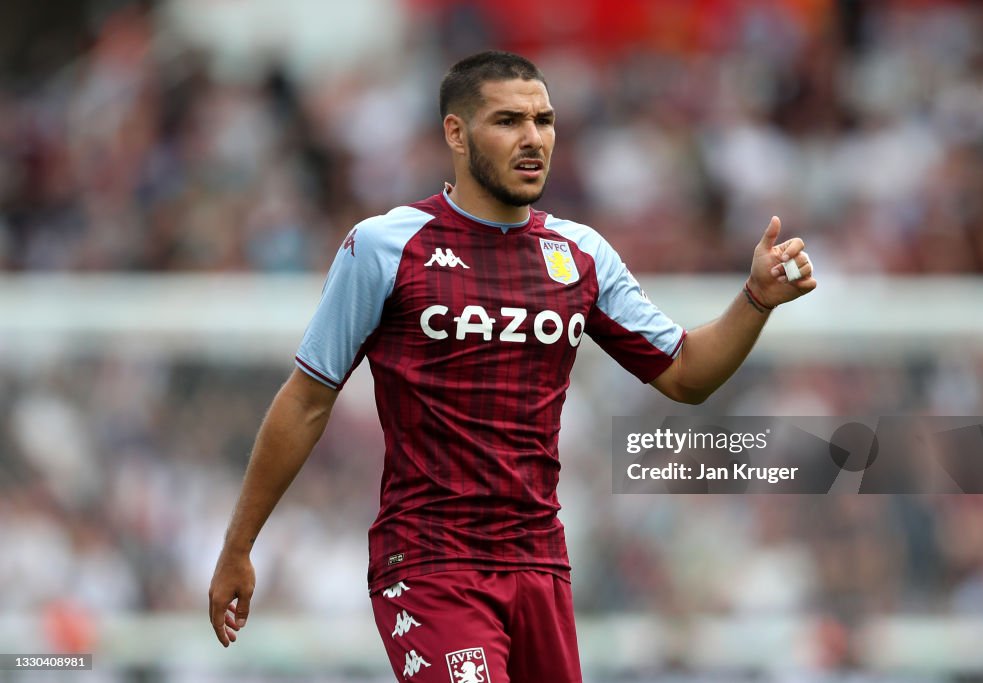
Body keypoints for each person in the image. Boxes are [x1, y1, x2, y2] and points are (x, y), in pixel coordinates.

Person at [208, 50, 816, 682]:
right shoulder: (387, 246)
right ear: (456, 133)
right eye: (507, 121)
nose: (533, 139)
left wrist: (754, 300)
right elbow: (307, 399)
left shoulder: (579, 256)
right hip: (430, 562)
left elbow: (687, 373)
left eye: (544, 120)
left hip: (540, 565)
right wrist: (239, 545)